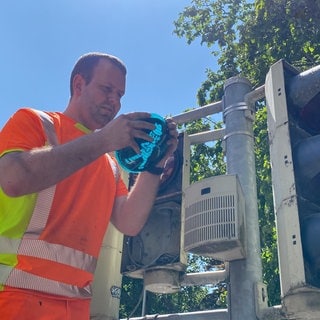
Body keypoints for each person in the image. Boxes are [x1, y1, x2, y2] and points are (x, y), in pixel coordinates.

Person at [0, 52, 178, 320]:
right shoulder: (36, 122)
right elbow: (13, 179)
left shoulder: (110, 164)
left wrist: (154, 165)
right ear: (79, 85)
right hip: (14, 299)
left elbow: (129, 222)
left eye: (120, 95)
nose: (114, 101)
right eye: (107, 89)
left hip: (75, 306)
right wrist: (104, 141)